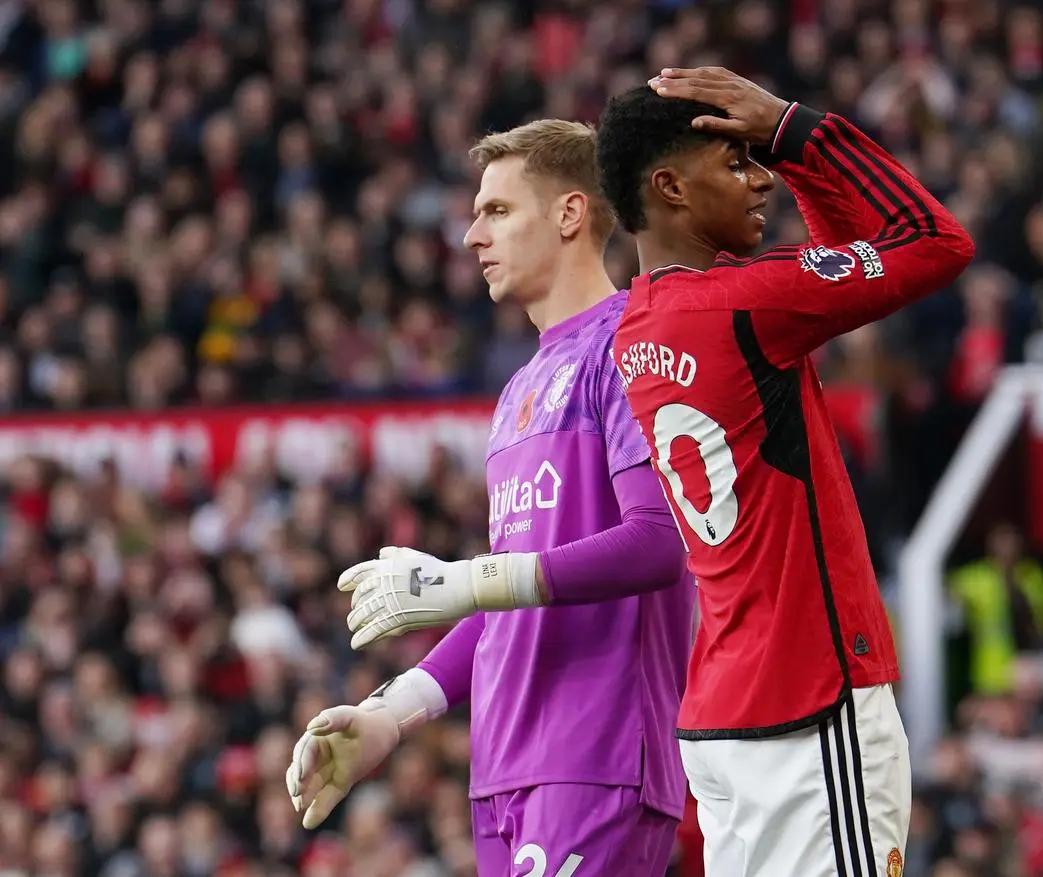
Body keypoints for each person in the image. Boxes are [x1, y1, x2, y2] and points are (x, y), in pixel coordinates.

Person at [285, 120, 694, 877]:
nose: (472, 236)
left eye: (497, 211)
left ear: (570, 214)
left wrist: (464, 578)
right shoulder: (517, 392)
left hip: (593, 755)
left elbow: (659, 542)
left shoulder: (630, 345)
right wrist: (391, 713)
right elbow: (512, 597)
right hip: (502, 771)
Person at [594, 68, 976, 877]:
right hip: (807, 704)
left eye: (756, 156)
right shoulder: (742, 306)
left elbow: (848, 261)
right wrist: (793, 128)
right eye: (735, 162)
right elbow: (937, 242)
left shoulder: (642, 323)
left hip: (729, 708)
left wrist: (782, 149)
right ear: (669, 186)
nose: (761, 175)